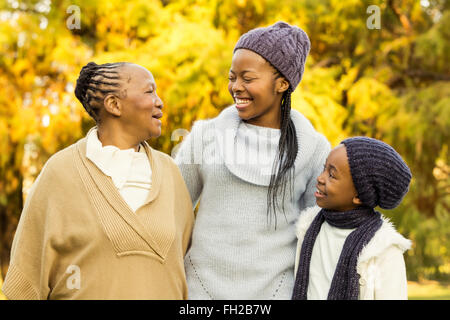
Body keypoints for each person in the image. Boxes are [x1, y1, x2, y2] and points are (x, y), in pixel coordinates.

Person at [2, 62, 194, 299]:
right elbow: (25, 284)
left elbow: (192, 268)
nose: (159, 101)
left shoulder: (171, 174)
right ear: (114, 104)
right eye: (149, 91)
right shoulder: (60, 173)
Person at [175, 22, 330, 299]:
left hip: (277, 294)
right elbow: (173, 209)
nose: (236, 87)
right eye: (232, 77)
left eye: (248, 78)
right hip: (201, 292)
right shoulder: (205, 136)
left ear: (282, 84)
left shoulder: (314, 149)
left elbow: (318, 234)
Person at [292, 137, 412, 300]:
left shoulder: (383, 248)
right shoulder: (309, 227)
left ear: (359, 196)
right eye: (324, 169)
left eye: (332, 175)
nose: (320, 178)